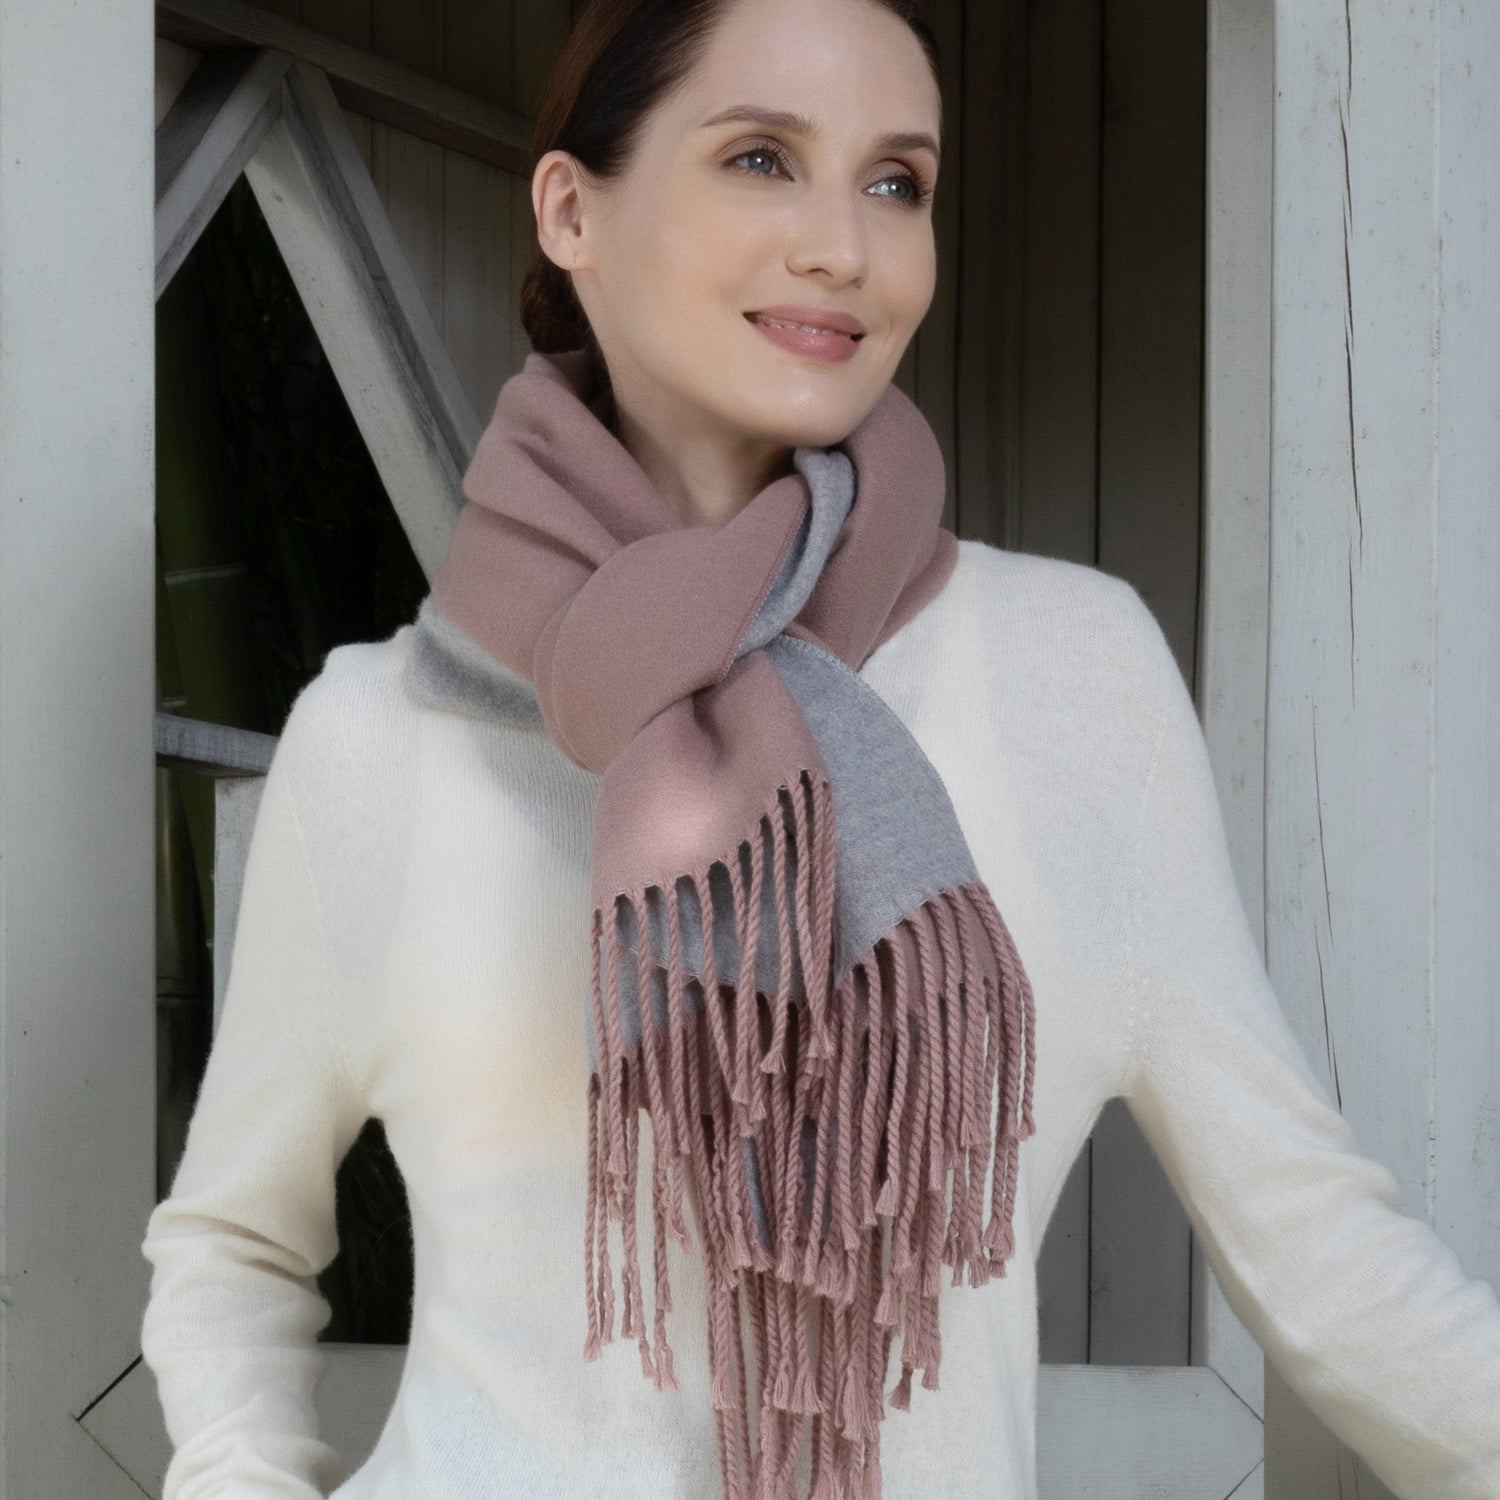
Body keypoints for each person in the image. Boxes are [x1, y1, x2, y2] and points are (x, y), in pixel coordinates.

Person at [139, 0, 1500, 1497]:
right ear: (571, 210)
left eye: (896, 182)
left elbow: (1320, 1249)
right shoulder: (380, 737)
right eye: (761, 159)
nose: (846, 248)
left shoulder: (1071, 672)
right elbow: (233, 1246)